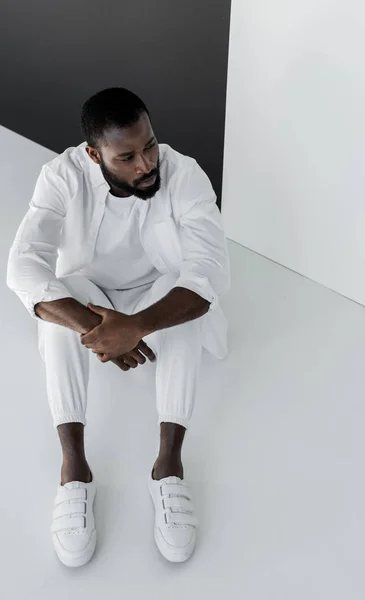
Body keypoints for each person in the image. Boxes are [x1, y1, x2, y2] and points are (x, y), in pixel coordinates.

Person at [6, 87, 230, 567]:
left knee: (184, 293)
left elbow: (210, 271)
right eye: (126, 156)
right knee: (58, 290)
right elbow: (22, 265)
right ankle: (74, 471)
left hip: (155, 295)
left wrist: (137, 325)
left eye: (149, 145)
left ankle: (169, 466)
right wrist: (96, 326)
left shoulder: (184, 173)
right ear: (94, 153)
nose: (146, 164)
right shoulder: (61, 175)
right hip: (93, 295)